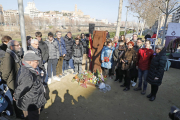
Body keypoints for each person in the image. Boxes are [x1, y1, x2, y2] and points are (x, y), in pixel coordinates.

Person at [14, 51, 46, 120]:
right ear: (30, 62)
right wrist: (16, 96)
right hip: (30, 103)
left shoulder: (27, 69)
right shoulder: (27, 74)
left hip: (32, 101)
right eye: (36, 62)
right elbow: (22, 88)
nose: (38, 64)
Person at [0, 40, 24, 119]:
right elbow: (5, 72)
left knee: (18, 97)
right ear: (11, 47)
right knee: (16, 98)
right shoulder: (8, 56)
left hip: (17, 80)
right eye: (17, 45)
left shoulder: (14, 54)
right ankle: (19, 114)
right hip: (12, 82)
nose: (19, 46)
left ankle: (20, 112)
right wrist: (5, 81)